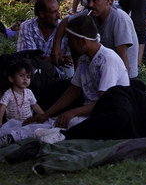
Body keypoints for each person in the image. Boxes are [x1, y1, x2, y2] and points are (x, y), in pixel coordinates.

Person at [25, 15, 130, 143]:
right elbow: (74, 89)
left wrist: (73, 112)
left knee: (65, 124)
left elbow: (105, 102)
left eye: (70, 40)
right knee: (52, 121)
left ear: (83, 41)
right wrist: (46, 114)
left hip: (107, 115)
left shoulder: (108, 60)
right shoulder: (85, 59)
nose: (68, 44)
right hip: (87, 112)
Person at [52, 0, 139, 78]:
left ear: (109, 1)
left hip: (119, 74)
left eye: (95, 0)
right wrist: (57, 46)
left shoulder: (119, 19)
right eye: (88, 0)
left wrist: (122, 89)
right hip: (100, 71)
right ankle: (78, 78)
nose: (90, 5)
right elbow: (66, 21)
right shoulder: (91, 14)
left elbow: (123, 59)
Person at [0, 60, 46, 146]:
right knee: (5, 131)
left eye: (28, 77)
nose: (25, 79)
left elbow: (35, 106)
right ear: (11, 78)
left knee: (37, 128)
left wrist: (44, 116)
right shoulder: (8, 93)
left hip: (28, 122)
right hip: (13, 123)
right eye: (21, 75)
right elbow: (2, 107)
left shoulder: (29, 92)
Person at [17, 0, 70, 66]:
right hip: (33, 74)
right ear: (42, 14)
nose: (58, 15)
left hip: (60, 74)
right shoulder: (27, 26)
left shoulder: (63, 27)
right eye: (54, 12)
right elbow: (30, 57)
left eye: (58, 10)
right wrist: (54, 61)